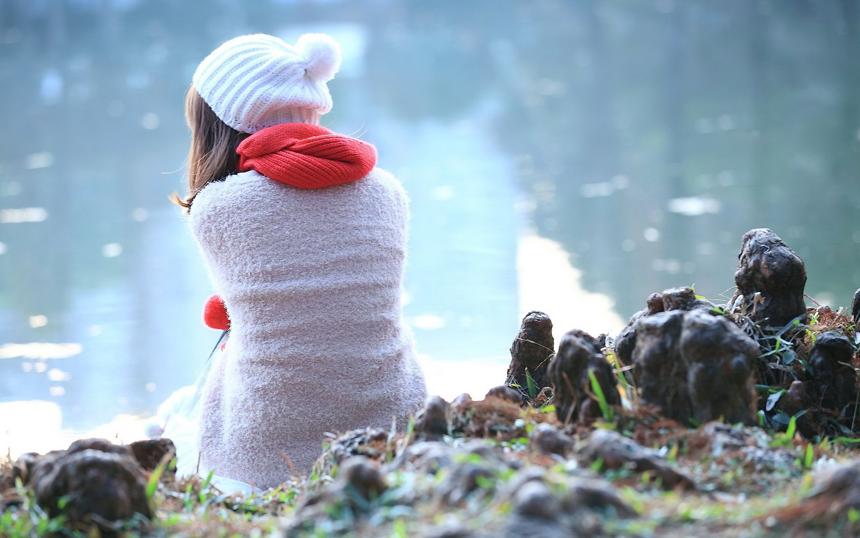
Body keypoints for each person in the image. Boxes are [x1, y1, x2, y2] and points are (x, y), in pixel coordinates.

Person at [173, 33, 427, 488]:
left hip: (267, 451)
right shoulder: (388, 191)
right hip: (395, 427)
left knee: (187, 404)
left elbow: (240, 310)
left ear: (218, 127)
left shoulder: (217, 207)